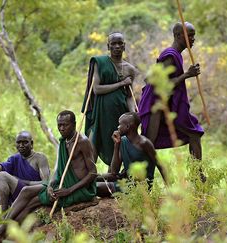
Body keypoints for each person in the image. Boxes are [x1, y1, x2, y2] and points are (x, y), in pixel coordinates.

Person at [0, 110, 97, 241]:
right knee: (28, 205)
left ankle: (0, 232)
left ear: (74, 124)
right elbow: (57, 170)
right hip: (62, 185)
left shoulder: (82, 142)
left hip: (78, 190)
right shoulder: (63, 141)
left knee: (27, 191)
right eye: (59, 125)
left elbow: (93, 173)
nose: (61, 128)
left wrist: (69, 190)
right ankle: (4, 231)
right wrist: (50, 185)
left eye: (65, 125)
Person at [138, 22, 205, 168]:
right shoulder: (170, 55)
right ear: (177, 35)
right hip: (154, 105)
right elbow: (156, 82)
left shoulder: (176, 55)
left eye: (194, 36)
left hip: (168, 105)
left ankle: (197, 175)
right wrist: (187, 74)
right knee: (148, 144)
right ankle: (130, 177)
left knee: (194, 133)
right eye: (190, 35)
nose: (193, 39)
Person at [82, 31, 139, 166]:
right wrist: (120, 83)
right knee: (93, 144)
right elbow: (96, 89)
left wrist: (133, 115)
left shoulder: (130, 69)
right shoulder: (100, 63)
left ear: (124, 46)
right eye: (113, 44)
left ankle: (113, 180)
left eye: (120, 43)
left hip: (120, 115)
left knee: (118, 145)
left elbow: (129, 96)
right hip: (100, 113)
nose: (117, 46)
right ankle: (89, 179)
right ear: (108, 46)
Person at [97, 112, 168, 196]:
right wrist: (116, 145)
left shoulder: (144, 143)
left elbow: (160, 165)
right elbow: (114, 172)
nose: (118, 127)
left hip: (140, 186)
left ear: (127, 127)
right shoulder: (123, 141)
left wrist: (170, 189)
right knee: (93, 179)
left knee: (97, 187)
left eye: (120, 124)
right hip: (126, 181)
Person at [0, 131, 50, 212]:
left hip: (32, 192)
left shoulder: (40, 158)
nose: (21, 145)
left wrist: (24, 182)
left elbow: (45, 183)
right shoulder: (15, 159)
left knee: (3, 175)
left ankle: (4, 217)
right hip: (17, 193)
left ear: (31, 143)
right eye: (18, 143)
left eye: (25, 142)